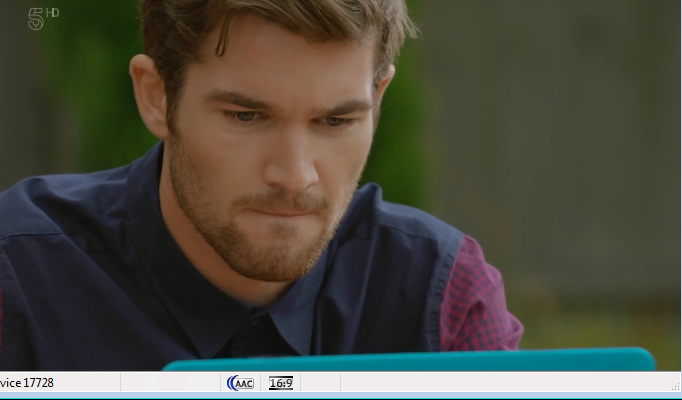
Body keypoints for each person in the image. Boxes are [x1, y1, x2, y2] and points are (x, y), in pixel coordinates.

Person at [0, 0, 522, 371]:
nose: (295, 176)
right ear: (157, 96)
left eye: (336, 121)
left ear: (377, 99)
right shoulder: (18, 279)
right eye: (246, 116)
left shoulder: (440, 297)